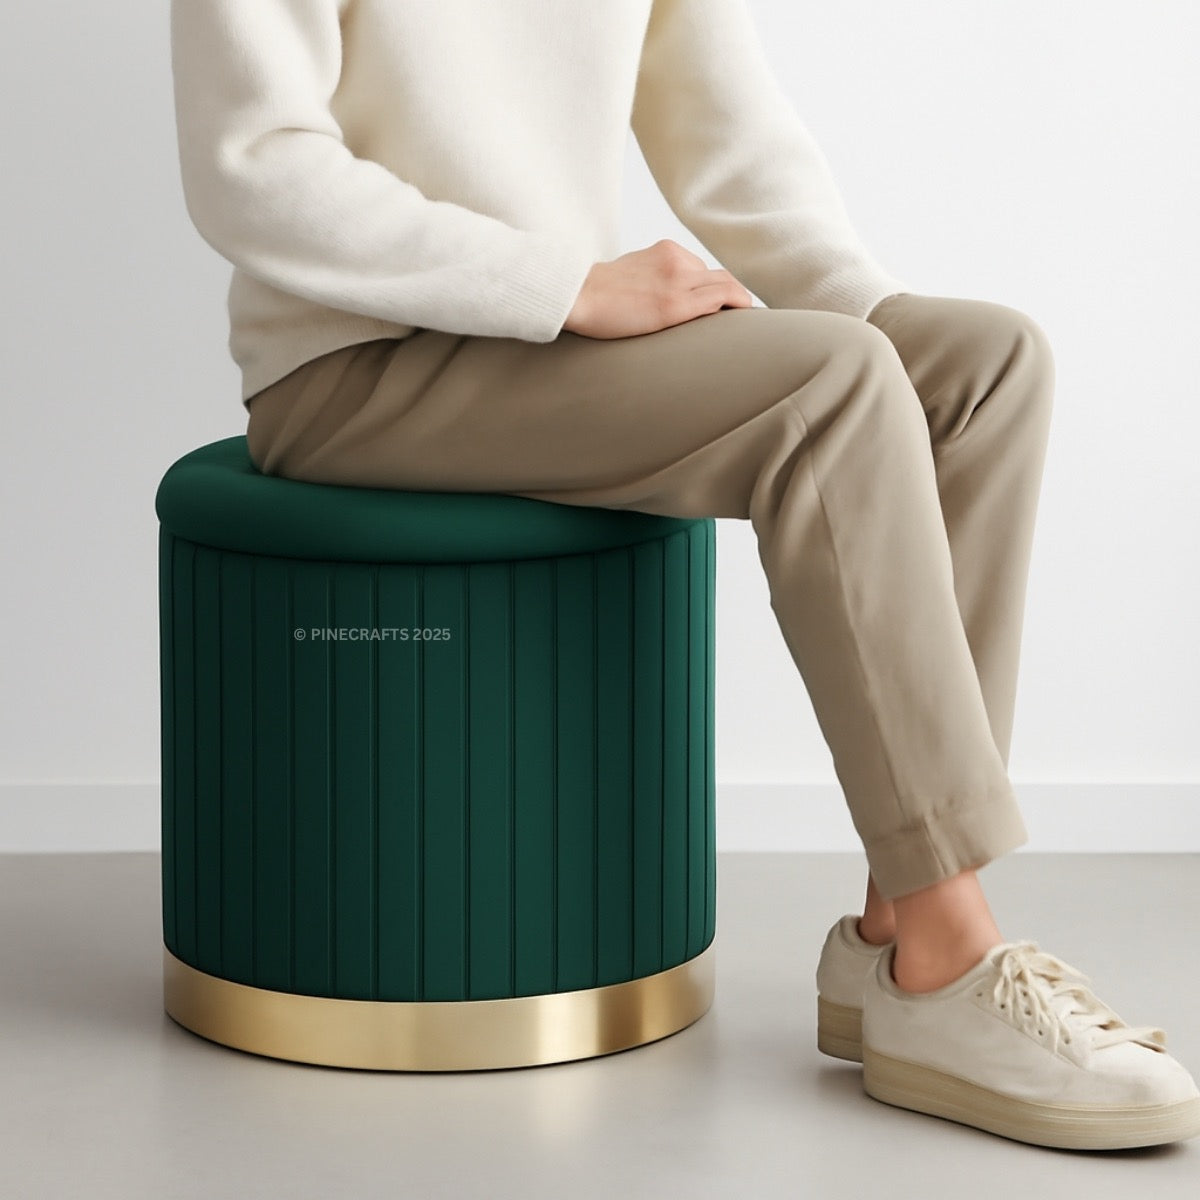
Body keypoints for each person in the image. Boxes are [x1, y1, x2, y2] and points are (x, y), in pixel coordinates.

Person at [168, 0, 1199, 1149]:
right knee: (835, 387)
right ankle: (952, 952)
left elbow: (726, 125)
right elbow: (250, 167)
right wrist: (569, 284)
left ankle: (895, 930)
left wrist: (864, 302)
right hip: (355, 363)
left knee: (986, 368)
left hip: (544, 346)